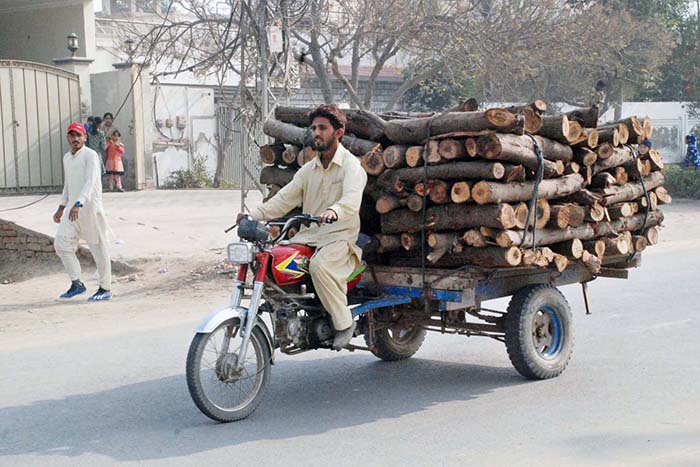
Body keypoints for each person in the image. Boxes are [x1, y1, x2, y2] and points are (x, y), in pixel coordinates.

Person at [239, 104, 367, 350]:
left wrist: (334, 211)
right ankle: (285, 317)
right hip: (310, 236)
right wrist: (252, 215)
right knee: (271, 260)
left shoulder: (352, 166)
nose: (316, 133)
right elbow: (284, 199)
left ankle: (343, 322)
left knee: (320, 266)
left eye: (323, 128)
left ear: (338, 132)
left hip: (339, 238)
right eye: (314, 128)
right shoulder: (309, 169)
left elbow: (351, 200)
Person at [52, 123, 113, 301]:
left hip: (90, 209)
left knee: (98, 249)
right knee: (61, 243)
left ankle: (105, 288)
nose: (75, 139)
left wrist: (79, 203)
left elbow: (90, 181)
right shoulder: (67, 158)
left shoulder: (91, 155)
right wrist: (62, 207)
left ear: (85, 137)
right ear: (67, 138)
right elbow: (68, 185)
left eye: (79, 135)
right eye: (72, 136)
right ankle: (77, 283)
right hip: (73, 209)